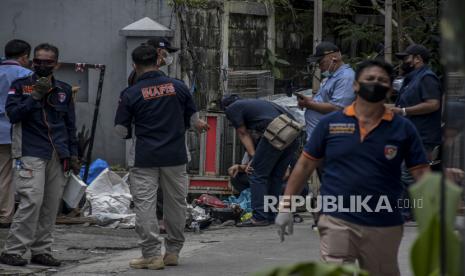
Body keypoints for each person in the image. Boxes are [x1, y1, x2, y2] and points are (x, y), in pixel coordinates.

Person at [276, 60, 430, 276]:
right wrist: (285, 207)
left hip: (384, 222)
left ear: (389, 90)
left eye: (382, 81)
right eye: (369, 79)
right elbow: (304, 165)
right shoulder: (330, 124)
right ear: (356, 86)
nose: (375, 83)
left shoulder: (402, 129)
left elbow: (422, 174)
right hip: (337, 218)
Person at [114, 44, 197, 270]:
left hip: (144, 157)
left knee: (145, 205)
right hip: (176, 155)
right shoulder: (179, 87)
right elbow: (193, 120)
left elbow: (121, 131)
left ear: (135, 65)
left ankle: (151, 255)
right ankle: (173, 252)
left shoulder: (130, 93)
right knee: (177, 204)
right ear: (158, 61)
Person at [0, 43, 79, 267]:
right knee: (31, 200)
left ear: (57, 64)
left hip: (58, 153)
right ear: (32, 61)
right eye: (38, 61)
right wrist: (34, 96)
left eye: (48, 62)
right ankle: (13, 250)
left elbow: (70, 124)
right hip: (30, 150)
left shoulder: (63, 90)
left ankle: (41, 250)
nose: (42, 66)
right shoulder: (20, 85)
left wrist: (73, 154)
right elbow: (13, 115)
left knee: (50, 204)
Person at [221, 95, 300, 227]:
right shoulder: (261, 104)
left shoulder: (232, 108)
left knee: (256, 174)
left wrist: (254, 157)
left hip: (277, 132)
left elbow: (242, 132)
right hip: (293, 134)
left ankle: (259, 217)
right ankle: (271, 215)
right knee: (276, 176)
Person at [392, 44, 442, 220]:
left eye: (406, 58)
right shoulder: (411, 78)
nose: (403, 62)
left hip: (423, 135)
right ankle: (410, 212)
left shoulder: (427, 78)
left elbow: (433, 104)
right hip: (410, 134)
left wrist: (404, 111)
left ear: (417, 59)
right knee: (405, 174)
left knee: (408, 174)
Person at [0, 39, 32, 229]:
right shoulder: (26, 75)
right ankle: (5, 215)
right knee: (12, 174)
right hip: (15, 129)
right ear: (24, 57)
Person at [298, 41, 355, 140]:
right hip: (320, 137)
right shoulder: (332, 77)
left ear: (334, 58)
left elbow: (337, 108)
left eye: (321, 62)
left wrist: (309, 104)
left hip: (333, 137)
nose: (320, 67)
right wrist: (309, 100)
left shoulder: (346, 78)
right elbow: (324, 100)